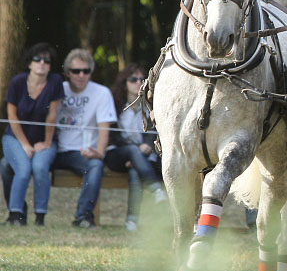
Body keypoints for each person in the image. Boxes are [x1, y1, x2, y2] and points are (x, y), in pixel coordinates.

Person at [52, 48, 117, 228]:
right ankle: (21, 216)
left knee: (95, 165)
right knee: (13, 166)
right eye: (75, 71)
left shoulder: (102, 93)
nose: (81, 75)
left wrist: (100, 153)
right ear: (67, 73)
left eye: (85, 71)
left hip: (81, 153)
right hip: (54, 149)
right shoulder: (57, 89)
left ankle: (83, 217)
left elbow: (105, 127)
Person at [2, 43, 64, 226]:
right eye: (38, 59)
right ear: (29, 63)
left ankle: (40, 217)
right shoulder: (17, 82)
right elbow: (11, 115)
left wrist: (46, 142)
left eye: (47, 60)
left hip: (44, 140)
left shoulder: (55, 82)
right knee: (22, 170)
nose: (42, 63)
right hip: (14, 138)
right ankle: (15, 215)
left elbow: (52, 115)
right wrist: (25, 144)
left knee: (39, 167)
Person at [104, 64, 166, 231]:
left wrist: (144, 149)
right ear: (124, 82)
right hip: (117, 154)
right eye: (133, 79)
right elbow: (114, 136)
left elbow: (154, 133)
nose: (138, 83)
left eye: (141, 79)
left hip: (143, 158)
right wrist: (137, 149)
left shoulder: (151, 105)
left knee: (134, 172)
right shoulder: (115, 105)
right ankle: (156, 189)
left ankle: (131, 221)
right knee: (132, 151)